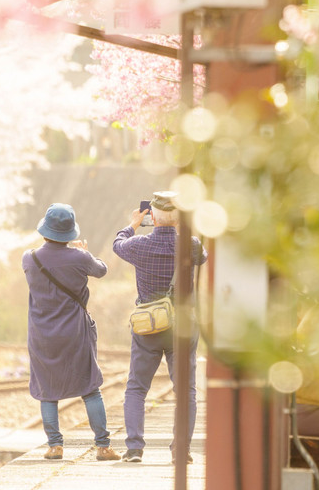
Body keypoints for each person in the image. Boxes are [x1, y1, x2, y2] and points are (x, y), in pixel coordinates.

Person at [113, 190, 207, 464]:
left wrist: (132, 224)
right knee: (186, 390)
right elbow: (203, 257)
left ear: (151, 216)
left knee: (137, 388)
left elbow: (117, 244)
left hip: (148, 326)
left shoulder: (137, 245)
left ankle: (134, 449)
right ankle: (181, 451)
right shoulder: (191, 245)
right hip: (183, 327)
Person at [23, 203, 120, 462]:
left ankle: (55, 446)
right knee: (90, 387)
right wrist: (83, 252)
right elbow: (101, 269)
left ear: (45, 229)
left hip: (42, 334)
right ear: (69, 232)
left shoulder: (29, 258)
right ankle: (103, 447)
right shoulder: (80, 258)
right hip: (75, 332)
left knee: (48, 390)